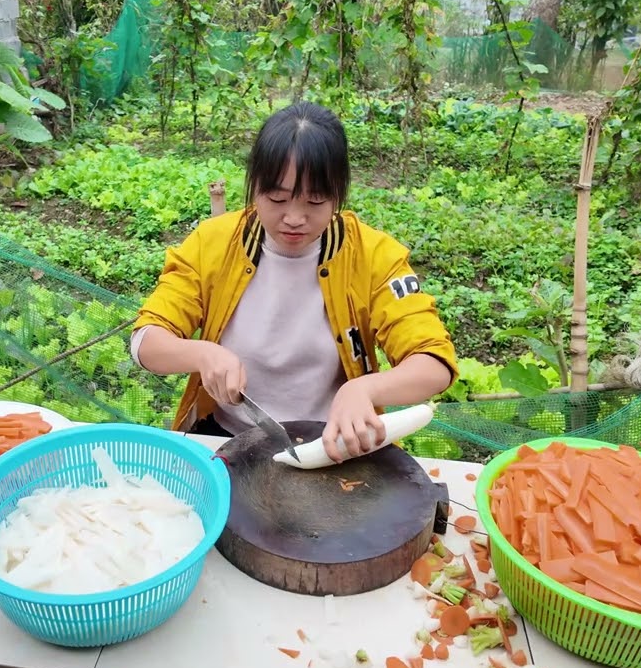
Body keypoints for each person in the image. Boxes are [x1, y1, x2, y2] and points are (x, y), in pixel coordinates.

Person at [129, 101, 459, 462]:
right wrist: (203, 353)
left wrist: (363, 389)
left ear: (338, 194)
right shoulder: (213, 244)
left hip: (330, 446)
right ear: (254, 186)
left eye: (315, 201)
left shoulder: (374, 257)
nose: (294, 218)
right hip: (227, 439)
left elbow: (433, 362)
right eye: (277, 198)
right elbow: (146, 341)